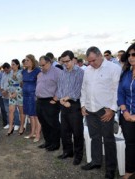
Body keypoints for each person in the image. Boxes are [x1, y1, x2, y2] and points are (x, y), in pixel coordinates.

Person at [80, 46, 121, 179]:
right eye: (89, 61)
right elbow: (84, 88)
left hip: (105, 110)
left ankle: (110, 169)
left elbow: (116, 90)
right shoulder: (87, 70)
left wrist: (113, 109)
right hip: (90, 110)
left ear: (100, 56)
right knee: (94, 137)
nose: (91, 64)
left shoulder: (114, 68)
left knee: (108, 140)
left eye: (93, 60)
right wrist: (83, 105)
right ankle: (96, 161)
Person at [56, 50, 84, 165]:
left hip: (75, 104)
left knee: (77, 132)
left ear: (73, 60)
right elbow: (59, 88)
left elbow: (78, 89)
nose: (65, 64)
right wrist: (62, 100)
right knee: (64, 131)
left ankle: (78, 155)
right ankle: (67, 151)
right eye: (63, 62)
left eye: (67, 61)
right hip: (63, 104)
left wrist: (67, 99)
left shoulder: (80, 72)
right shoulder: (62, 72)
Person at [36, 55, 61, 150]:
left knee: (52, 123)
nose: (41, 67)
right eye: (40, 66)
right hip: (40, 101)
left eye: (43, 65)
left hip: (50, 101)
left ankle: (55, 144)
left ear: (49, 62)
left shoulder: (57, 72)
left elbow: (61, 86)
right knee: (44, 123)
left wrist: (55, 99)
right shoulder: (41, 73)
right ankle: (48, 142)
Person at [117, 43, 135, 179]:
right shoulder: (126, 73)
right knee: (130, 144)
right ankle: (130, 170)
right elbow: (120, 93)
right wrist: (125, 111)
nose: (130, 57)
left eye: (133, 54)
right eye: (129, 55)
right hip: (126, 115)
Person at [22, 54, 41, 143]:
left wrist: (37, 95)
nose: (25, 62)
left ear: (32, 61)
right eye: (25, 60)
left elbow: (40, 84)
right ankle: (32, 132)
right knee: (30, 115)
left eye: (27, 60)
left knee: (36, 115)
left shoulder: (37, 71)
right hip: (25, 95)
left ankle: (38, 134)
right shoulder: (24, 71)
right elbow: (22, 82)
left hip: (34, 95)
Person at [6, 59, 25, 135]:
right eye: (11, 64)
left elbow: (22, 85)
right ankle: (11, 126)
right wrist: (9, 92)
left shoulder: (21, 73)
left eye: (13, 64)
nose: (12, 66)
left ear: (17, 65)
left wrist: (16, 93)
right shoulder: (10, 73)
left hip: (19, 94)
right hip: (11, 94)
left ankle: (21, 126)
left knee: (21, 111)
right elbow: (8, 84)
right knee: (11, 111)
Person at [0, 62, 20, 129]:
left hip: (11, 94)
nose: (5, 71)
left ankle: (17, 124)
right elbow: (1, 83)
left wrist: (7, 91)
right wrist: (2, 90)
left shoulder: (13, 74)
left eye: (6, 69)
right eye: (4, 70)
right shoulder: (3, 74)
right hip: (4, 95)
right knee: (7, 110)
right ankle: (9, 123)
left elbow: (13, 84)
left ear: (9, 68)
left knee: (14, 110)